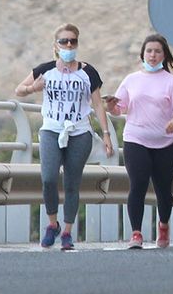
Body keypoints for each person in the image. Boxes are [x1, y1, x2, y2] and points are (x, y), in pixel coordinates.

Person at [14, 23, 113, 251]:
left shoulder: (88, 72)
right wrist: (33, 89)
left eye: (73, 41)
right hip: (51, 129)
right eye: (64, 41)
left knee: (71, 182)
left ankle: (67, 232)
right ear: (56, 45)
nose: (69, 45)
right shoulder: (45, 69)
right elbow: (19, 89)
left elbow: (98, 104)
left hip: (79, 132)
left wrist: (106, 134)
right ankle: (52, 224)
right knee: (48, 178)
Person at [106, 34, 173, 249]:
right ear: (142, 54)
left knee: (163, 189)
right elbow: (120, 108)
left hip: (166, 142)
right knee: (138, 184)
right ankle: (136, 233)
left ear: (164, 55)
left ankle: (163, 225)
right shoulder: (131, 80)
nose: (153, 55)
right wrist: (111, 107)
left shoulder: (171, 82)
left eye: (157, 51)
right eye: (149, 51)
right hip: (136, 139)